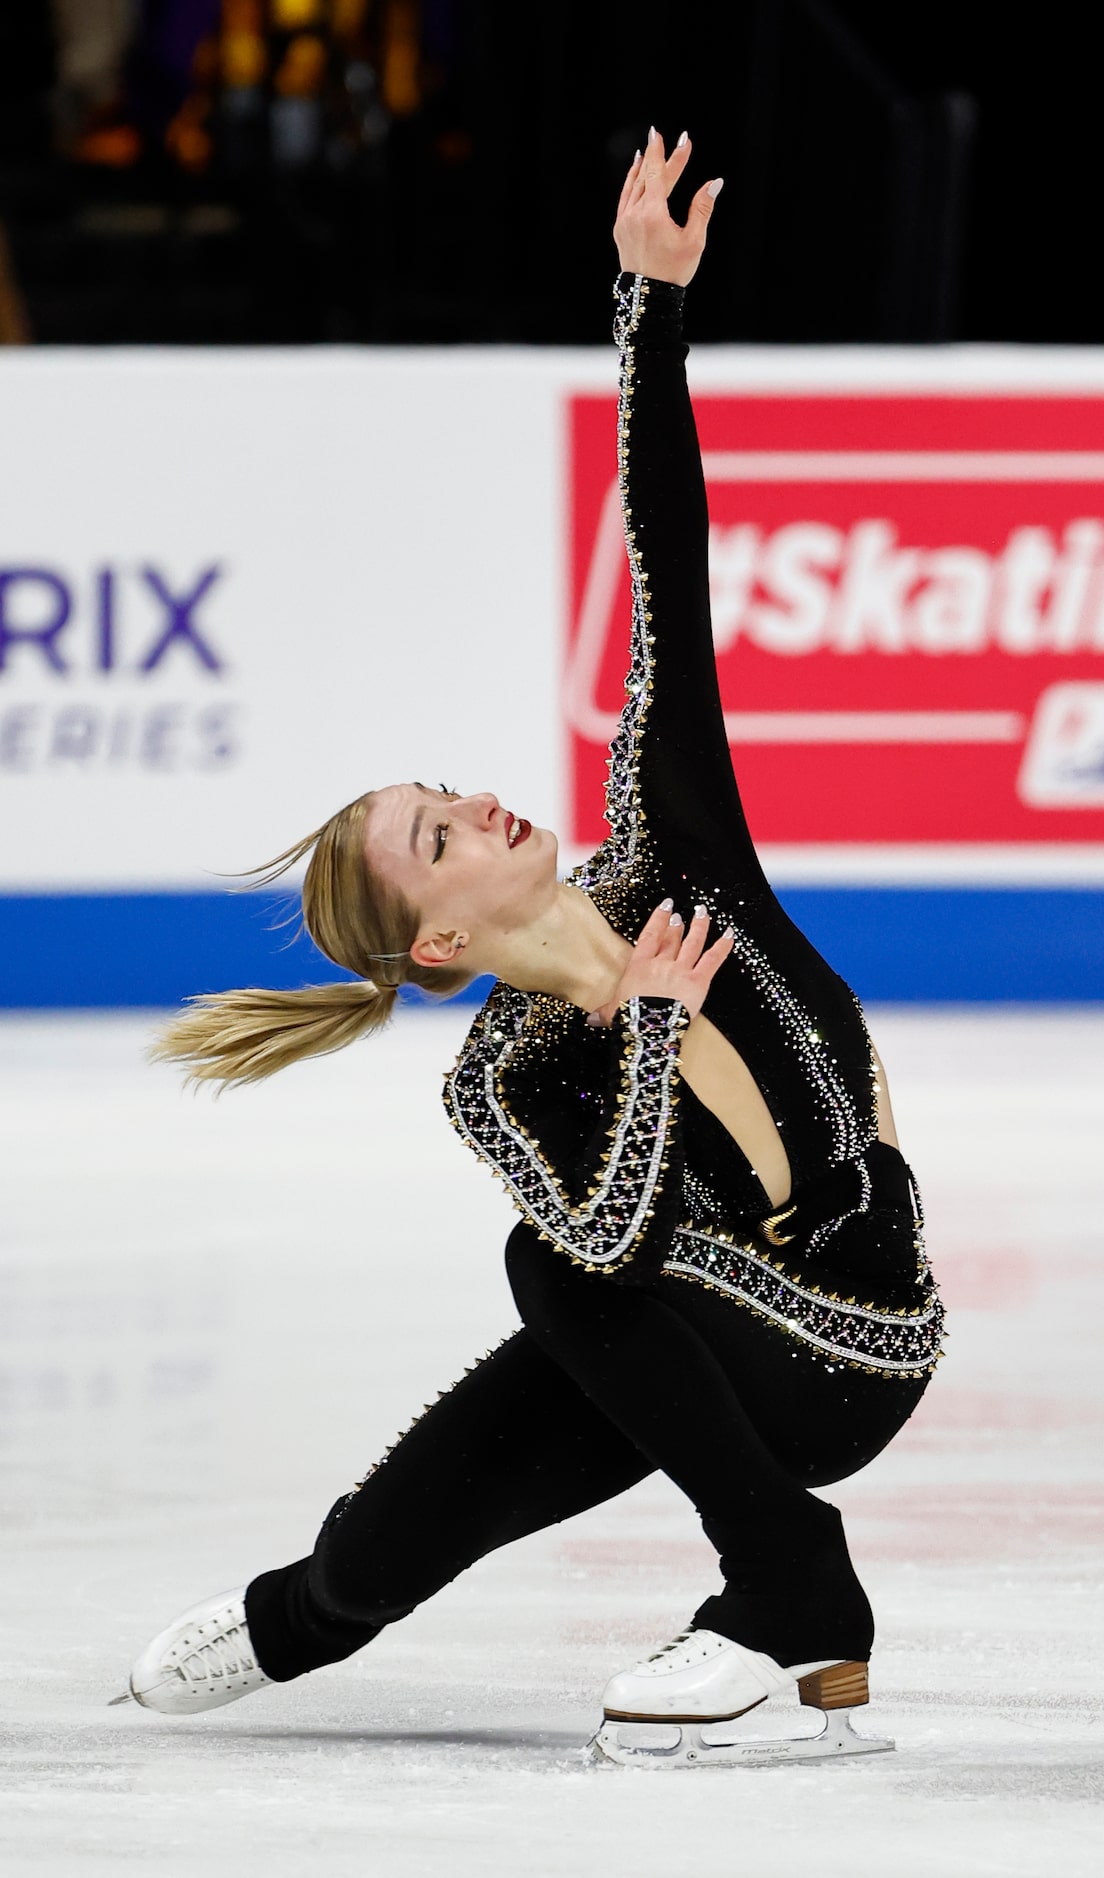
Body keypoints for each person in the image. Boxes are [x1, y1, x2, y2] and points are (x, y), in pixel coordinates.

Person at [115, 128, 945, 1768]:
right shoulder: (503, 1075)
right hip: (707, 1344)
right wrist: (640, 1031)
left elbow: (665, 566)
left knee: (545, 1274)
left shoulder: (673, 847)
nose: (483, 804)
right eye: (442, 831)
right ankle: (305, 1608)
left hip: (861, 1331)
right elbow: (618, 1240)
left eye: (452, 788)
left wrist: (648, 303)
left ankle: (796, 1596)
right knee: (455, 1465)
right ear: (438, 939)